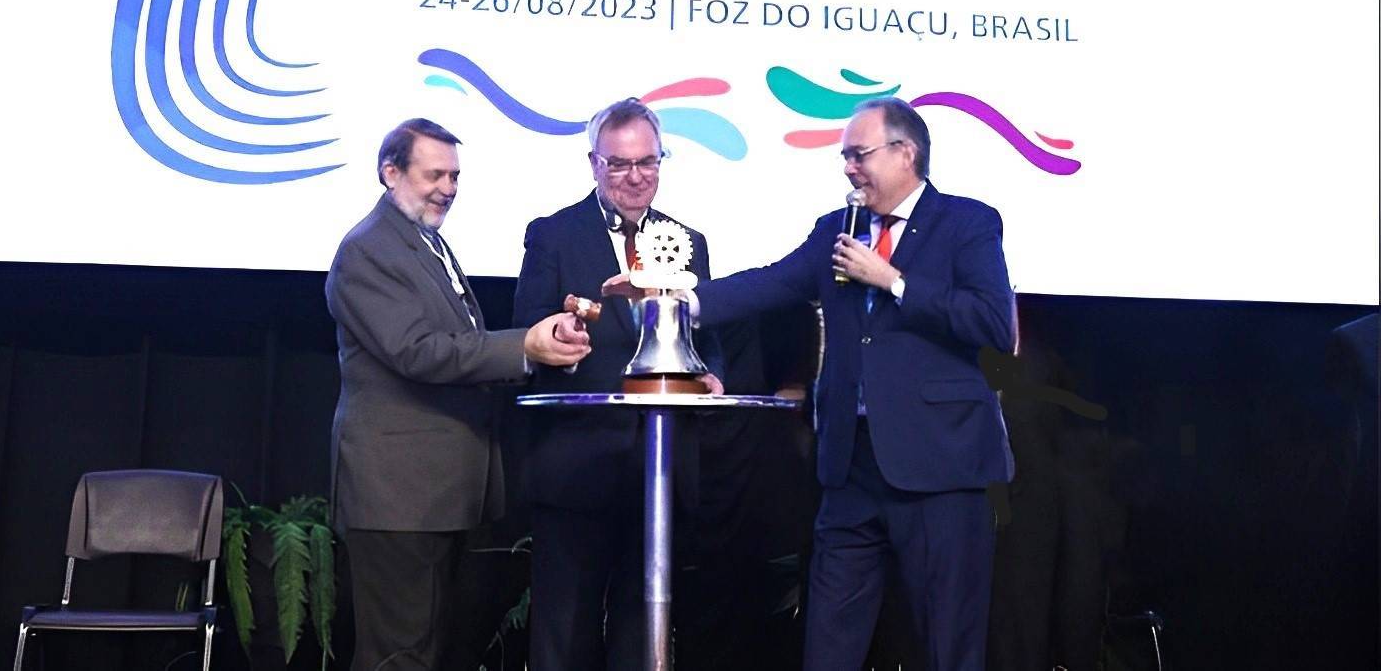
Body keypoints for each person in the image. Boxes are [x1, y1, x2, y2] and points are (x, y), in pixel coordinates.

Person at [607, 96, 1015, 671]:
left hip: (940, 465)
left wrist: (894, 280)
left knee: (948, 644)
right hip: (850, 466)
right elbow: (772, 282)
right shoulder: (837, 228)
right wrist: (676, 298)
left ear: (906, 153)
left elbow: (994, 324)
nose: (848, 168)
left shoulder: (967, 223)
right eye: (844, 156)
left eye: (859, 154)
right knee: (828, 644)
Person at [326, 118, 591, 671]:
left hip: (435, 494)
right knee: (398, 655)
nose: (447, 187)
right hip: (398, 495)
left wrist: (537, 345)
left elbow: (458, 342)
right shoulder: (368, 250)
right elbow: (418, 352)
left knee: (425, 651)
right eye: (434, 174)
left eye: (454, 176)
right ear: (390, 171)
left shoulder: (423, 241)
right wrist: (527, 346)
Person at [512, 98, 741, 671]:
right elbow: (527, 334)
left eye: (649, 162)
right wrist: (559, 337)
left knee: (648, 632)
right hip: (578, 467)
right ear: (593, 163)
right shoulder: (553, 235)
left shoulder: (690, 241)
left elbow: (705, 337)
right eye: (620, 165)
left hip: (660, 470)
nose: (636, 176)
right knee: (564, 635)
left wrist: (712, 376)